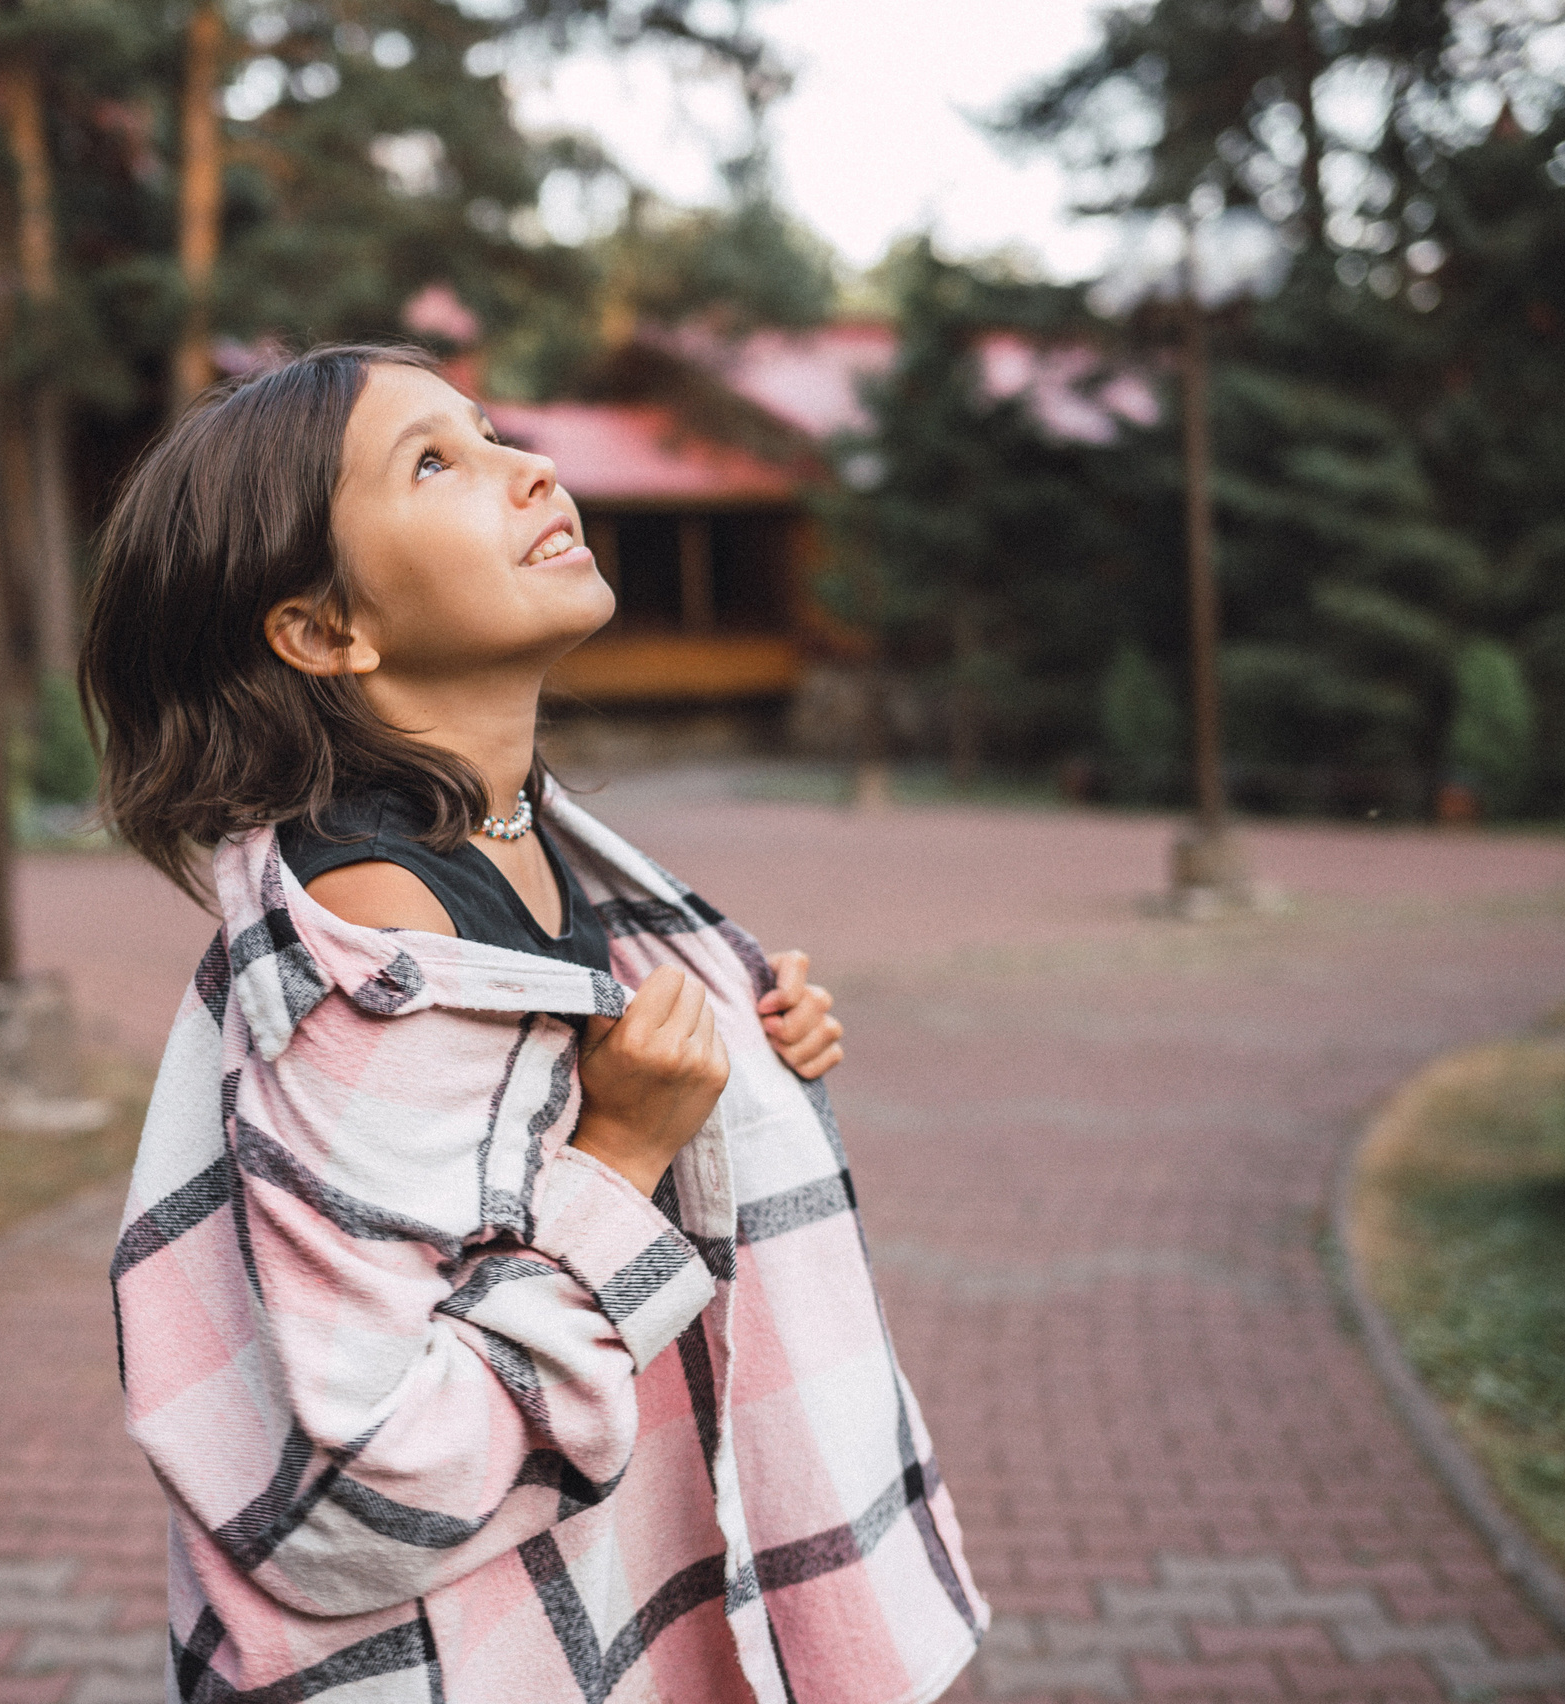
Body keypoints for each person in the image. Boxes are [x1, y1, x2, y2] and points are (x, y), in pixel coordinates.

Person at [83, 344, 984, 1704]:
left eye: (491, 430)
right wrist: (625, 1162)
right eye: (435, 462)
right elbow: (369, 1488)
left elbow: (540, 1088)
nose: (534, 468)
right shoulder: (381, 950)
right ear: (327, 633)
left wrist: (741, 1048)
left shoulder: (504, 837)